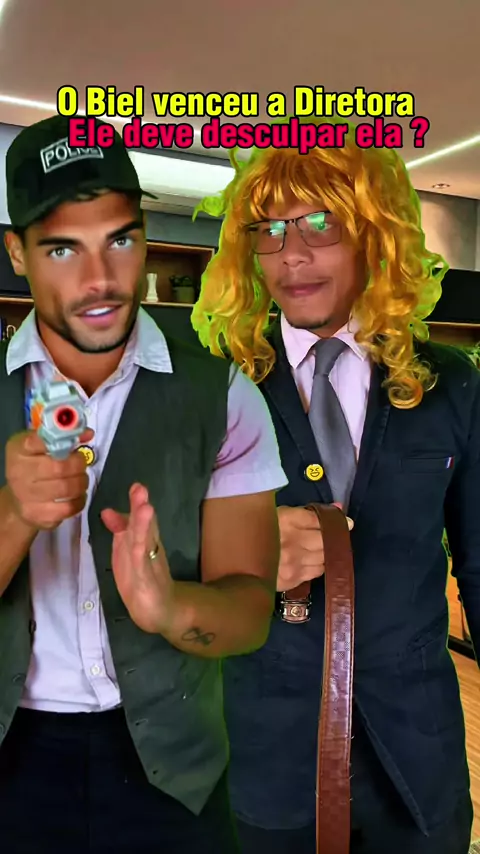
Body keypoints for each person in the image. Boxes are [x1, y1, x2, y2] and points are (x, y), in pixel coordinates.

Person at [0, 114, 288, 854]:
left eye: (120, 240)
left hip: (175, 778)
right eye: (62, 248)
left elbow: (250, 612)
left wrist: (169, 608)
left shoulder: (224, 396)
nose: (99, 279)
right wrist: (15, 515)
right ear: (17, 253)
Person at [191, 118, 479, 853]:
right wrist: (235, 552)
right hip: (264, 765)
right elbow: (146, 561)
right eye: (268, 230)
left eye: (320, 222)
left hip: (416, 767)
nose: (292, 254)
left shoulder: (450, 385)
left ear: (375, 233)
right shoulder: (209, 391)